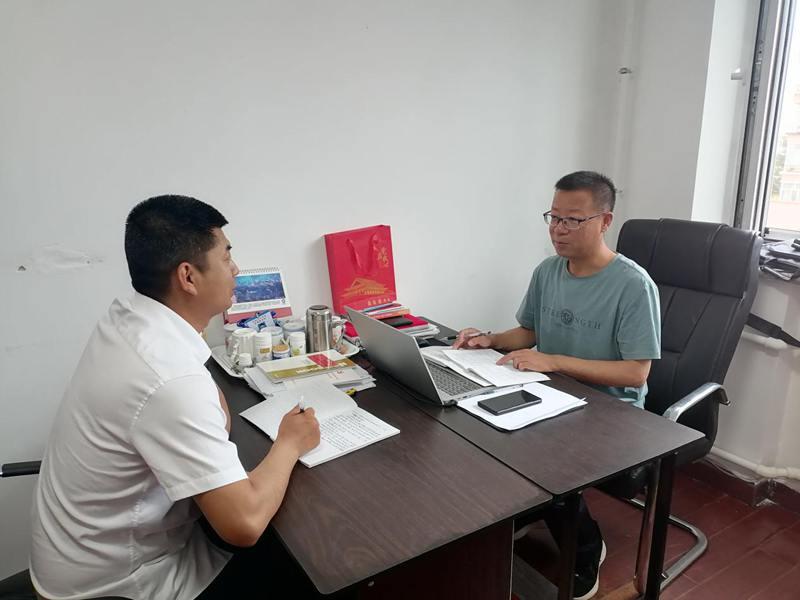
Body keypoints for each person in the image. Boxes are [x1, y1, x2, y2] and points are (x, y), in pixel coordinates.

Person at [30, 195, 320, 600]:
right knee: (309, 567)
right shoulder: (169, 378)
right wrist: (290, 443)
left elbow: (214, 409)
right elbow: (245, 524)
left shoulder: (128, 318)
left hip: (77, 554)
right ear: (188, 277)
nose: (235, 269)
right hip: (117, 585)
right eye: (226, 256)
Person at [453, 171, 661, 600]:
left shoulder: (632, 285)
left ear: (605, 221)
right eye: (554, 217)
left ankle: (586, 548)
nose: (559, 230)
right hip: (552, 394)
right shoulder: (548, 271)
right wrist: (490, 339)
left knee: (543, 457)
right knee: (481, 428)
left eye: (573, 220)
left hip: (612, 412)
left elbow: (636, 373)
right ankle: (531, 510)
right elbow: (528, 332)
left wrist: (553, 361)